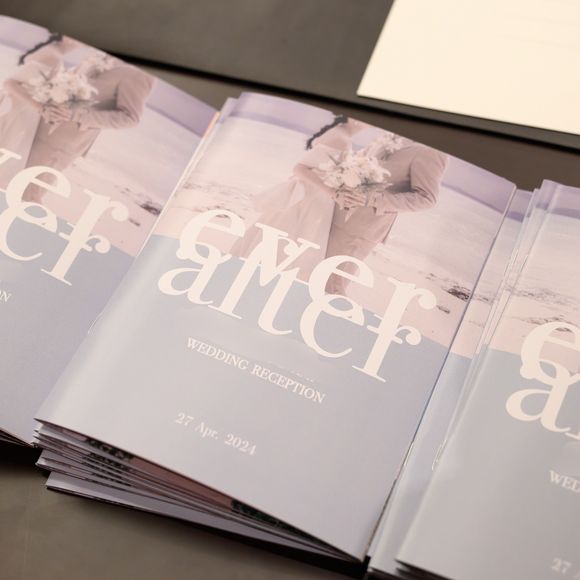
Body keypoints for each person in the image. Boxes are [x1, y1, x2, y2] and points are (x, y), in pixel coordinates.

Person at [231, 115, 367, 280]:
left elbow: (321, 169)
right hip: (308, 200)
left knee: (280, 244)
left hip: (312, 197)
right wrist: (334, 193)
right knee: (286, 245)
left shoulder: (340, 134)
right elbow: (300, 168)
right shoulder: (341, 139)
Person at [23, 51, 155, 202]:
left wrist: (78, 115)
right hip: (40, 124)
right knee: (13, 180)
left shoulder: (140, 73)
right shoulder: (99, 53)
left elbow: (130, 117)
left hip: (62, 142)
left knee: (29, 193)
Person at [325, 134, 448, 295]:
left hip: (360, 228)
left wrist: (374, 199)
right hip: (333, 212)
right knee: (312, 274)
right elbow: (358, 161)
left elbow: (426, 198)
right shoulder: (390, 134)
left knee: (331, 286)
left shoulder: (432, 150)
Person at [0, 32, 81, 189]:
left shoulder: (54, 52)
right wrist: (42, 107)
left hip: (21, 111)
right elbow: (10, 83)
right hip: (15, 112)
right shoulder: (53, 55)